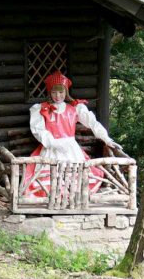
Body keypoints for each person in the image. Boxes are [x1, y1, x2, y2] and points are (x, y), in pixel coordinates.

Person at [23, 70, 120, 198]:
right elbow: (39, 131)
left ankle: (72, 199)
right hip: (51, 148)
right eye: (54, 92)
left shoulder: (75, 108)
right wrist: (54, 143)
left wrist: (107, 139)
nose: (58, 95)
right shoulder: (41, 109)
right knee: (49, 176)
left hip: (71, 150)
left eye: (61, 92)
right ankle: (53, 198)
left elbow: (92, 123)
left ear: (66, 92)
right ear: (49, 92)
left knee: (75, 176)